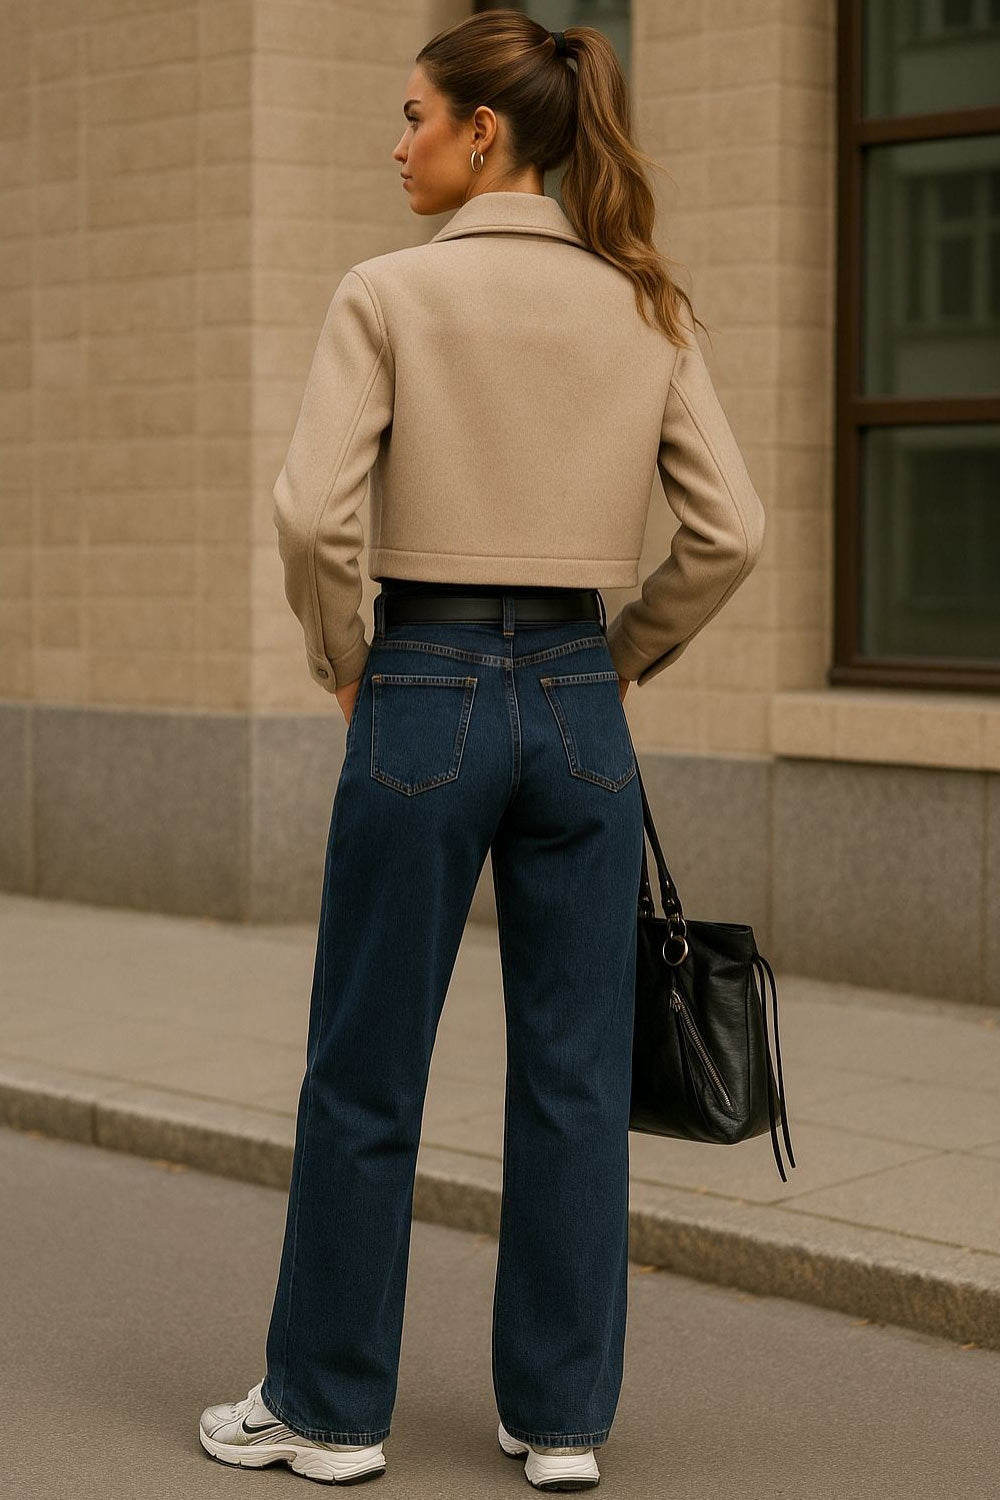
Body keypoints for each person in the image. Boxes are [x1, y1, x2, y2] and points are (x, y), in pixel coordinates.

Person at [198, 10, 766, 1492]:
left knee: (366, 1068)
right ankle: (561, 1421)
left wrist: (342, 660)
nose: (397, 145)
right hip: (582, 695)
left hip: (424, 683)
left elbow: (313, 517)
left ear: (485, 134)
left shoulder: (388, 293)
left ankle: (327, 1413)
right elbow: (733, 533)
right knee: (576, 1076)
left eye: (412, 117)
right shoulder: (645, 303)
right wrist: (621, 660)